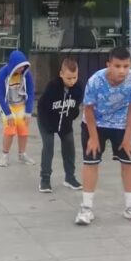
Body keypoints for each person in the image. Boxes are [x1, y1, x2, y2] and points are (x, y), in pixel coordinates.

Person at [76, 48, 131, 226]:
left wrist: (127, 137)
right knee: (91, 162)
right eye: (117, 66)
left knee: (129, 163)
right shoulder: (95, 81)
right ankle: (86, 208)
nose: (122, 70)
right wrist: (93, 138)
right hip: (95, 123)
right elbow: (88, 109)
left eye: (126, 66)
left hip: (121, 124)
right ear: (109, 65)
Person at [36, 57, 84, 193]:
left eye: (74, 77)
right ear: (61, 74)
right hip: (47, 121)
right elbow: (42, 106)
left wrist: (69, 118)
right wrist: (50, 125)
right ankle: (45, 179)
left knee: (69, 147)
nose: (72, 81)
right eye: (68, 78)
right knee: (48, 146)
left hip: (65, 122)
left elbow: (76, 107)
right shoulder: (52, 87)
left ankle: (70, 177)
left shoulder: (79, 88)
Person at [0, 50, 36, 167]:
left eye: (23, 67)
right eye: (20, 67)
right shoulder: (2, 74)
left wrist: (28, 111)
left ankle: (22, 154)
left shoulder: (26, 74)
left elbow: (31, 92)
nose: (22, 69)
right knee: (10, 130)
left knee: (23, 129)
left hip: (21, 105)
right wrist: (8, 113)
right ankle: (5, 155)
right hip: (8, 106)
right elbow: (0, 95)